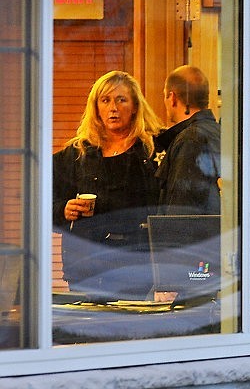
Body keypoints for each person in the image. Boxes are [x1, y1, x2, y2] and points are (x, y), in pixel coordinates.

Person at [53, 71, 163, 300]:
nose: (113, 107)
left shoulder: (152, 150)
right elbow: (38, 192)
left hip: (135, 265)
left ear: (134, 106)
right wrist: (63, 209)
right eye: (105, 100)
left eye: (121, 99)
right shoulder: (79, 152)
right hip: (85, 266)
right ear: (96, 108)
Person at [154, 65, 221, 215]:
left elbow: (182, 211)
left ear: (172, 98)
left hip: (193, 236)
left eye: (165, 95)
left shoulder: (190, 140)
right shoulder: (217, 131)